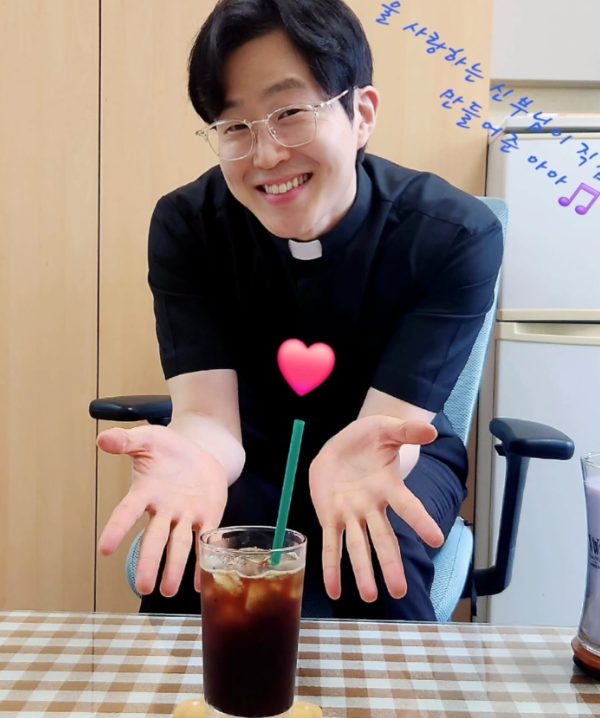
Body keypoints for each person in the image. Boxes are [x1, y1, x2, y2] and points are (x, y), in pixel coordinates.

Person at [97, 0, 503, 621]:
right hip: (249, 450)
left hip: (393, 449)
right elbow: (208, 418)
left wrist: (367, 460)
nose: (265, 156)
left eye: (289, 114)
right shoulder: (188, 227)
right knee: (197, 562)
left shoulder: (453, 235)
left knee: (373, 557)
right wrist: (197, 457)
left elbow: (392, 426)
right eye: (235, 127)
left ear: (361, 114)